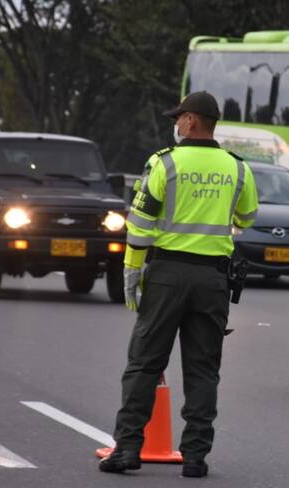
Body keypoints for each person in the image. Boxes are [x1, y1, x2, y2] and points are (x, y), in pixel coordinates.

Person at [99, 91, 258, 478]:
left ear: (190, 121)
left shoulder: (164, 164)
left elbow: (139, 226)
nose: (176, 123)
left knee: (144, 364)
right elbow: (248, 216)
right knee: (203, 369)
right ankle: (196, 457)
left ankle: (128, 450)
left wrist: (131, 275)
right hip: (213, 278)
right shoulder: (237, 169)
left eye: (179, 117)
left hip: (167, 276)